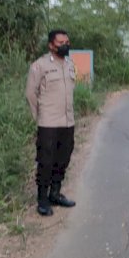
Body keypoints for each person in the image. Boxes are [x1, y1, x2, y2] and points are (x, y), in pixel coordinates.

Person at [25, 29, 78, 216]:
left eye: (67, 41)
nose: (65, 45)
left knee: (63, 158)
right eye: (61, 42)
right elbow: (31, 94)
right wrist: (39, 117)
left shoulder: (70, 64)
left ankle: (55, 193)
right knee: (46, 161)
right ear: (51, 45)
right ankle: (42, 199)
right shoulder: (40, 66)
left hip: (67, 121)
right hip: (48, 122)